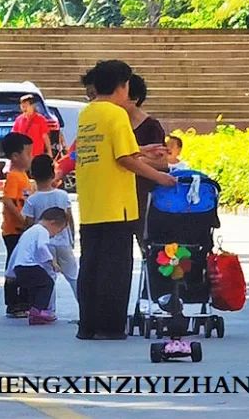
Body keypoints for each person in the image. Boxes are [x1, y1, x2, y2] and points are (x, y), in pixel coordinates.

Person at [75, 60, 175, 341]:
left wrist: (142, 149)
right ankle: (110, 326)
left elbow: (110, 149)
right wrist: (160, 177)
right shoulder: (117, 114)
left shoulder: (88, 113)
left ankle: (88, 326)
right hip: (116, 203)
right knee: (115, 269)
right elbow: (124, 159)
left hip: (91, 202)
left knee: (91, 265)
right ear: (122, 86)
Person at [23, 155, 77, 321]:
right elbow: (69, 218)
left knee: (48, 277)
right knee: (73, 276)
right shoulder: (62, 195)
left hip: (44, 246)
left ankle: (48, 310)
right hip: (63, 242)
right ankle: (86, 307)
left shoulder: (32, 200)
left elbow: (29, 223)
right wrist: (72, 237)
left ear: (32, 174)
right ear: (53, 174)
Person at [6, 207, 70, 326]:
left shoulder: (29, 231)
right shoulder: (42, 231)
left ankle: (34, 309)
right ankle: (39, 311)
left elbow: (16, 252)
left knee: (35, 287)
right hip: (29, 265)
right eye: (58, 230)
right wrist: (52, 261)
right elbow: (42, 247)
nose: (55, 235)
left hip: (19, 267)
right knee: (47, 283)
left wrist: (10, 272)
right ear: (52, 223)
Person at [124, 74, 168, 235]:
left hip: (144, 193)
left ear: (135, 98)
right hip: (121, 194)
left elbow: (162, 162)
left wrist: (130, 160)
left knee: (145, 237)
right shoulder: (117, 125)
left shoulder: (151, 126)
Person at [0, 132, 34, 317]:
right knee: (14, 267)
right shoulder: (14, 176)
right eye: (28, 154)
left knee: (24, 264)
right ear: (15, 156)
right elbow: (8, 200)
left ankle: (24, 300)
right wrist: (22, 220)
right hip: (14, 231)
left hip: (22, 230)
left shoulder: (23, 176)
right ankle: (13, 303)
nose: (31, 157)